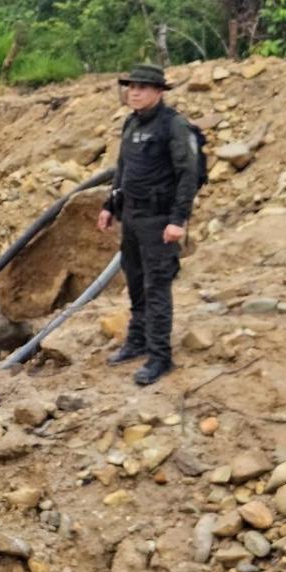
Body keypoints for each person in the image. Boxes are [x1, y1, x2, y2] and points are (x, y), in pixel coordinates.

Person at [97, 64, 200, 386]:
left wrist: (178, 219)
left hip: (159, 220)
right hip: (132, 216)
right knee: (136, 281)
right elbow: (124, 170)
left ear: (159, 91)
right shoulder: (131, 122)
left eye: (142, 87)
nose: (134, 91)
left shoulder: (174, 126)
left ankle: (159, 357)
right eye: (130, 86)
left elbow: (188, 174)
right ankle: (137, 341)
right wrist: (110, 206)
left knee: (157, 287)